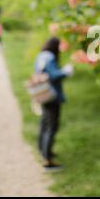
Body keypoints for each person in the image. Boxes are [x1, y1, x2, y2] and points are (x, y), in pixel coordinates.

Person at [34, 37, 73, 171]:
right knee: (51, 126)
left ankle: (43, 149)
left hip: (42, 93)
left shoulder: (41, 55)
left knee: (44, 123)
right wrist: (65, 72)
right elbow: (53, 75)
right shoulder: (50, 57)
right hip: (52, 95)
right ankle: (47, 160)